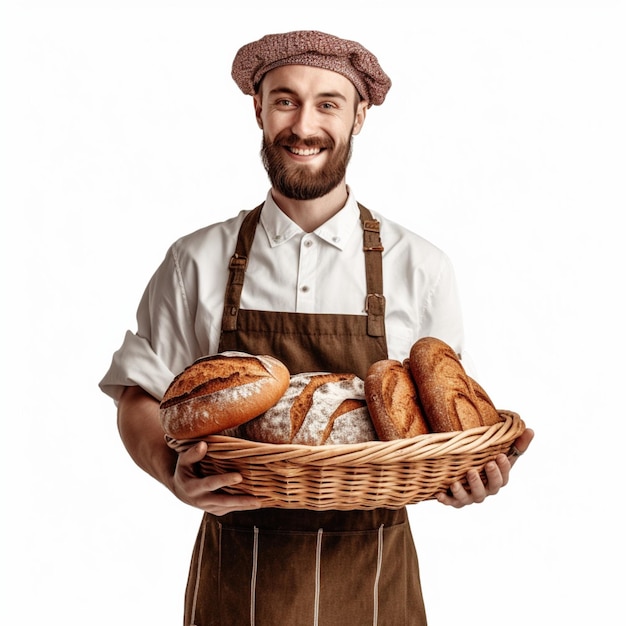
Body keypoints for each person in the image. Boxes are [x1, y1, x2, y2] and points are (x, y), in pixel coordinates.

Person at [100, 30, 533, 626]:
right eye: (285, 100)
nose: (304, 125)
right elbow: (139, 396)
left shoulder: (420, 266)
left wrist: (466, 474)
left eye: (328, 103)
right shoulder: (196, 260)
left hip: (376, 581)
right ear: (259, 108)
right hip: (240, 579)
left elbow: (442, 425)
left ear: (359, 117)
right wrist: (170, 472)